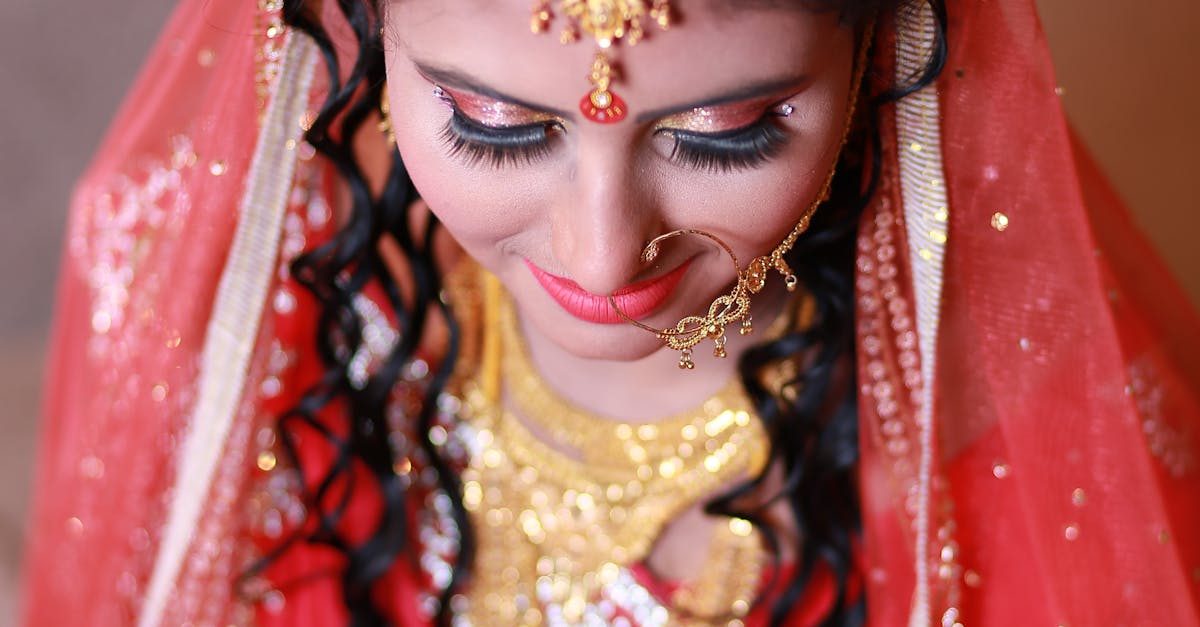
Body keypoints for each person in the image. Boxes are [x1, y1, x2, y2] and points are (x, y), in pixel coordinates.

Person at [21, 0, 1200, 625]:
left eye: (727, 136)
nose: (603, 251)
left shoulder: (1003, 462)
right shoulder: (278, 324)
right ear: (367, 41)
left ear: (886, 50)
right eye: (493, 125)